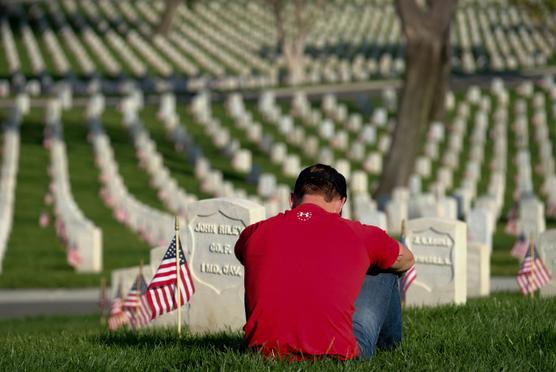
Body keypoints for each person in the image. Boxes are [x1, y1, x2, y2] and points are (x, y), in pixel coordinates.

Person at [234, 164, 414, 360]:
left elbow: (242, 256)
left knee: (261, 264)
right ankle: (390, 348)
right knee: (387, 267)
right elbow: (407, 259)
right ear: (341, 203)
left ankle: (268, 337)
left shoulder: (255, 232)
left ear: (292, 199)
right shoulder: (358, 234)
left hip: (264, 353)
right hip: (334, 353)